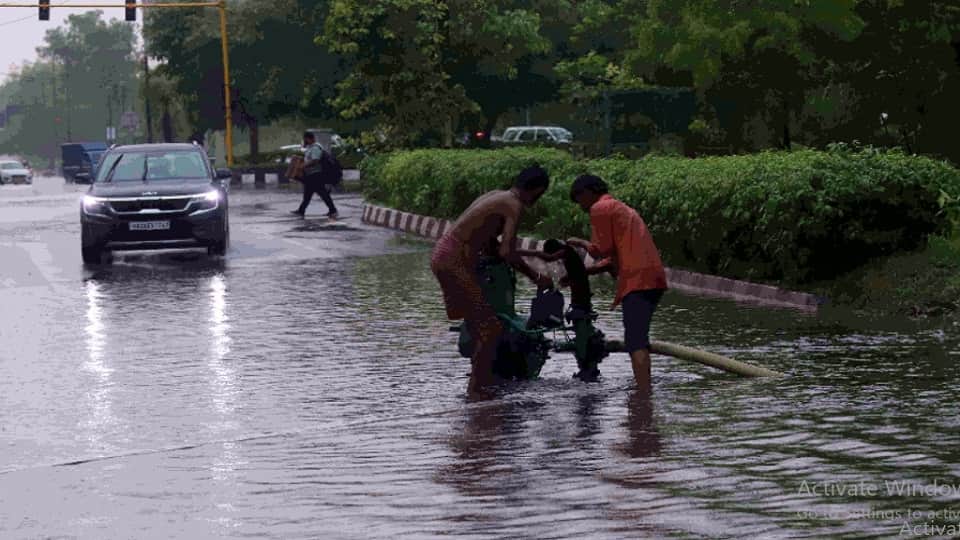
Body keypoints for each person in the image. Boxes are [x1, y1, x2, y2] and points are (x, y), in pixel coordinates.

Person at [431, 165, 555, 393]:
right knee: (490, 328)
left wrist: (536, 255)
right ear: (537, 190)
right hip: (455, 261)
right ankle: (477, 391)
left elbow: (491, 245)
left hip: (443, 254)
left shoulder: (496, 196)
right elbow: (507, 252)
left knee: (480, 325)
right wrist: (537, 277)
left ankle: (484, 382)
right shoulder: (514, 205)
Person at [565, 174, 668, 389]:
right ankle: (642, 388)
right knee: (638, 336)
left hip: (638, 280)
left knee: (635, 341)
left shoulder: (600, 208)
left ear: (588, 192)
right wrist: (584, 274)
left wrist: (579, 243)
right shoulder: (620, 208)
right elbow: (612, 257)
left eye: (579, 199)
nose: (580, 205)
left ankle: (642, 395)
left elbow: (601, 250)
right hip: (652, 277)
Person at [291, 131, 338, 219]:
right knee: (311, 193)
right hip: (311, 175)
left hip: (316, 175)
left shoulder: (315, 148)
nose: (304, 141)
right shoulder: (310, 147)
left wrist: (303, 166)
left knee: (320, 193)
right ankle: (302, 210)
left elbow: (315, 160)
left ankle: (332, 210)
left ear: (309, 139)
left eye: (305, 139)